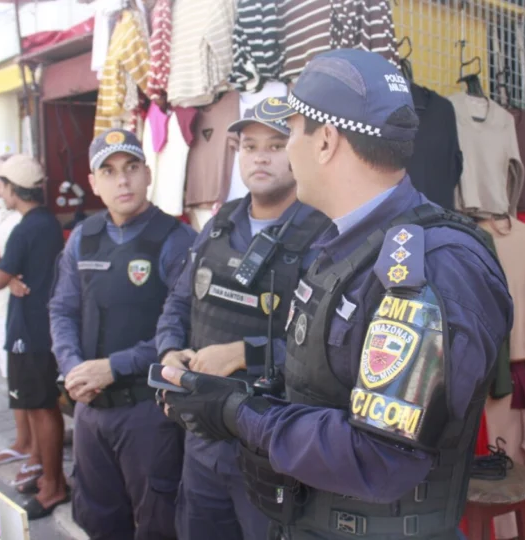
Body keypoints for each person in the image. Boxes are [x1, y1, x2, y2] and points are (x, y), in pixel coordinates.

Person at [157, 49, 514, 539]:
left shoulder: (430, 265)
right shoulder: (345, 246)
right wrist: (231, 394)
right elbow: (326, 383)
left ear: (325, 140)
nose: (287, 151)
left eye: (291, 132)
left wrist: (238, 414)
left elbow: (382, 456)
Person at [155, 102, 331, 539]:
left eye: (275, 145)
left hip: (271, 443)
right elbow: (179, 302)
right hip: (203, 437)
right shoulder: (219, 223)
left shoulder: (323, 235)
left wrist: (244, 354)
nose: (260, 158)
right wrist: (170, 351)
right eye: (250, 147)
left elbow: (328, 350)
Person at [49, 128, 194, 539]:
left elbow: (186, 330)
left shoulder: (177, 240)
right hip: (91, 409)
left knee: (158, 525)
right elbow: (62, 309)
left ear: (148, 174)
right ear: (93, 183)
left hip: (150, 410)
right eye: (109, 171)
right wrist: (73, 368)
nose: (123, 180)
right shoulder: (84, 237)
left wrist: (114, 366)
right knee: (99, 521)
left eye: (131, 168)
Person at [0, 153, 68, 519]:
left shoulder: (27, 228)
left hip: (32, 331)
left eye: (2, 184)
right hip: (37, 327)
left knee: (42, 408)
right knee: (40, 407)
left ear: (13, 188)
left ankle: (53, 485)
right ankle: (49, 477)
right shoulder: (44, 222)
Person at [0, 154, 32, 469]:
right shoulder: (1, 215)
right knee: (12, 376)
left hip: (15, 309)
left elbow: (0, 275)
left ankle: (27, 442)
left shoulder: (18, 221)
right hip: (2, 307)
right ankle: (25, 440)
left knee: (21, 379)